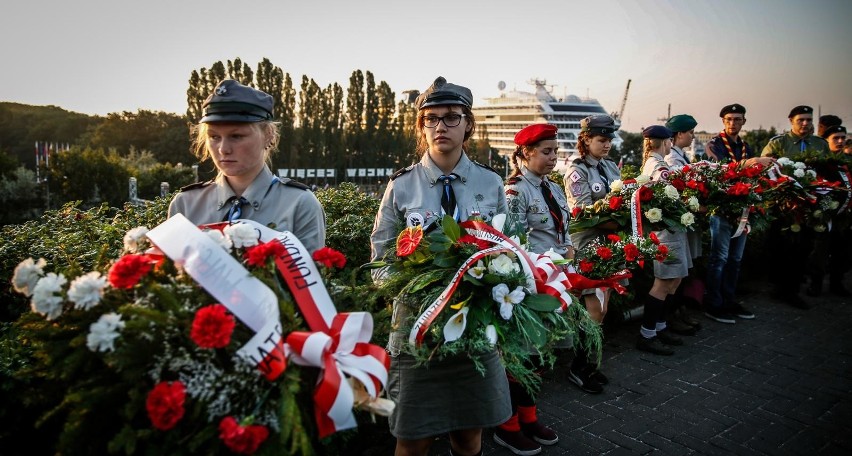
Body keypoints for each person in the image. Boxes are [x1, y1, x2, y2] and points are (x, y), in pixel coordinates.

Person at [370, 76, 510, 456]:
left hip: (475, 330)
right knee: (412, 438)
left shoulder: (491, 183)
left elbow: (512, 250)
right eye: (430, 119)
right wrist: (414, 289)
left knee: (468, 437)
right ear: (421, 126)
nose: (440, 127)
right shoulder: (401, 186)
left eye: (451, 117)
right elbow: (380, 257)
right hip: (417, 330)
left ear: (468, 124)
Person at [168, 79, 326, 253]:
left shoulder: (299, 204)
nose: (223, 149)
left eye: (236, 136)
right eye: (214, 137)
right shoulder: (185, 204)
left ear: (268, 135)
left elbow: (311, 276)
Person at [498, 123, 567, 454]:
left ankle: (529, 417)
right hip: (527, 285)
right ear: (525, 153)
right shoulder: (515, 191)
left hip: (552, 283)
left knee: (538, 354)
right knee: (519, 356)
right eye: (546, 151)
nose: (554, 157)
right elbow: (512, 243)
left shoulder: (551, 188)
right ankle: (507, 426)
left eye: (555, 151)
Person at [563, 114, 621, 394]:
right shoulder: (577, 171)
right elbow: (582, 213)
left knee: (603, 308)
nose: (607, 144)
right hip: (587, 247)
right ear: (585, 140)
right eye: (601, 139)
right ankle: (579, 368)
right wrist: (622, 221)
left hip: (608, 245)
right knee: (593, 311)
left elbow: (623, 200)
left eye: (609, 139)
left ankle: (590, 364)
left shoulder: (610, 167)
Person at [703, 104, 773, 321]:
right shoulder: (713, 144)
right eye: (729, 119)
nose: (733, 123)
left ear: (744, 122)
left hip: (742, 209)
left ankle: (729, 300)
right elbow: (723, 169)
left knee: (735, 259)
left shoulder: (746, 146)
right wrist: (751, 163)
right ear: (723, 121)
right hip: (722, 209)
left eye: (737, 119)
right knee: (720, 258)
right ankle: (713, 304)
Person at [762, 106, 830, 309]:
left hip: (808, 207)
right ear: (791, 121)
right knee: (780, 247)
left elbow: (827, 172)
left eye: (809, 120)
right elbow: (765, 168)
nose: (805, 124)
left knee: (803, 247)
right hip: (783, 207)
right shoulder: (779, 143)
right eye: (801, 120)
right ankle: (779, 287)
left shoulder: (819, 145)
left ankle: (792, 290)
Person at [636, 125, 689, 356]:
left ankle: (659, 326)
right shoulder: (659, 166)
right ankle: (647, 334)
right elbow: (667, 199)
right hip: (666, 231)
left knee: (673, 282)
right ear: (666, 142)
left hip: (668, 229)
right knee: (663, 283)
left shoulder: (652, 163)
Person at [663, 114, 702, 335]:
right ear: (679, 134)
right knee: (676, 274)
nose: (692, 136)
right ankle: (672, 316)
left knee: (683, 271)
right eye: (690, 132)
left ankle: (678, 312)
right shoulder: (672, 160)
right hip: (676, 223)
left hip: (683, 222)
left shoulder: (680, 155)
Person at [808, 122, 852, 297]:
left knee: (842, 250)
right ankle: (816, 284)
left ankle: (837, 282)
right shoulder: (820, 163)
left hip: (844, 215)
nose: (840, 141)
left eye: (843, 138)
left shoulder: (847, 162)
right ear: (826, 141)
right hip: (824, 216)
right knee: (820, 250)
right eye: (836, 138)